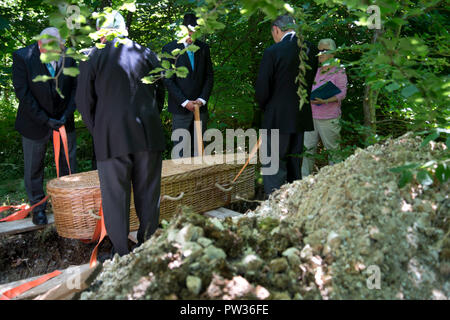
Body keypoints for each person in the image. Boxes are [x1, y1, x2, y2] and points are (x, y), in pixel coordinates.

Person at [75, 11, 166, 257]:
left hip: (111, 137)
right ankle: (146, 247)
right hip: (148, 135)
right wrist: (150, 119)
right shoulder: (147, 54)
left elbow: (84, 103)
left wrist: (100, 130)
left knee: (116, 198)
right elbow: (160, 94)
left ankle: (122, 253)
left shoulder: (92, 57)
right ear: (124, 29)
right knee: (149, 194)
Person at [12, 27, 77, 225]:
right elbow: (23, 94)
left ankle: (69, 203)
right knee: (34, 168)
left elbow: (75, 89)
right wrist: (45, 119)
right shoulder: (23, 57)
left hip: (64, 122)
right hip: (34, 122)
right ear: (39, 43)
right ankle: (37, 208)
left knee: (68, 165)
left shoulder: (70, 57)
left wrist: (66, 115)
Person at [255, 15, 317, 195]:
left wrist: (263, 106)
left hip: (276, 117)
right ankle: (293, 204)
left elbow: (262, 90)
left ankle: (274, 208)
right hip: (300, 117)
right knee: (294, 165)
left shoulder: (273, 51)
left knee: (274, 165)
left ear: (276, 29)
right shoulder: (311, 50)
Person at [162, 13, 214, 158]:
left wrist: (202, 100)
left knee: (200, 150)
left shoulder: (203, 48)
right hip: (180, 109)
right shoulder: (170, 49)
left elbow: (209, 76)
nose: (191, 35)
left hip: (200, 109)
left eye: (195, 31)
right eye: (188, 31)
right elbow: (168, 80)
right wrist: (185, 102)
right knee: (180, 152)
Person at [301, 38, 348, 177]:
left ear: (333, 53)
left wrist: (326, 100)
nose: (320, 53)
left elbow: (342, 93)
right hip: (311, 116)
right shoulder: (316, 71)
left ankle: (336, 179)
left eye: (325, 51)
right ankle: (304, 181)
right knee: (307, 150)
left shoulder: (338, 71)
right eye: (319, 50)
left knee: (333, 150)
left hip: (329, 117)